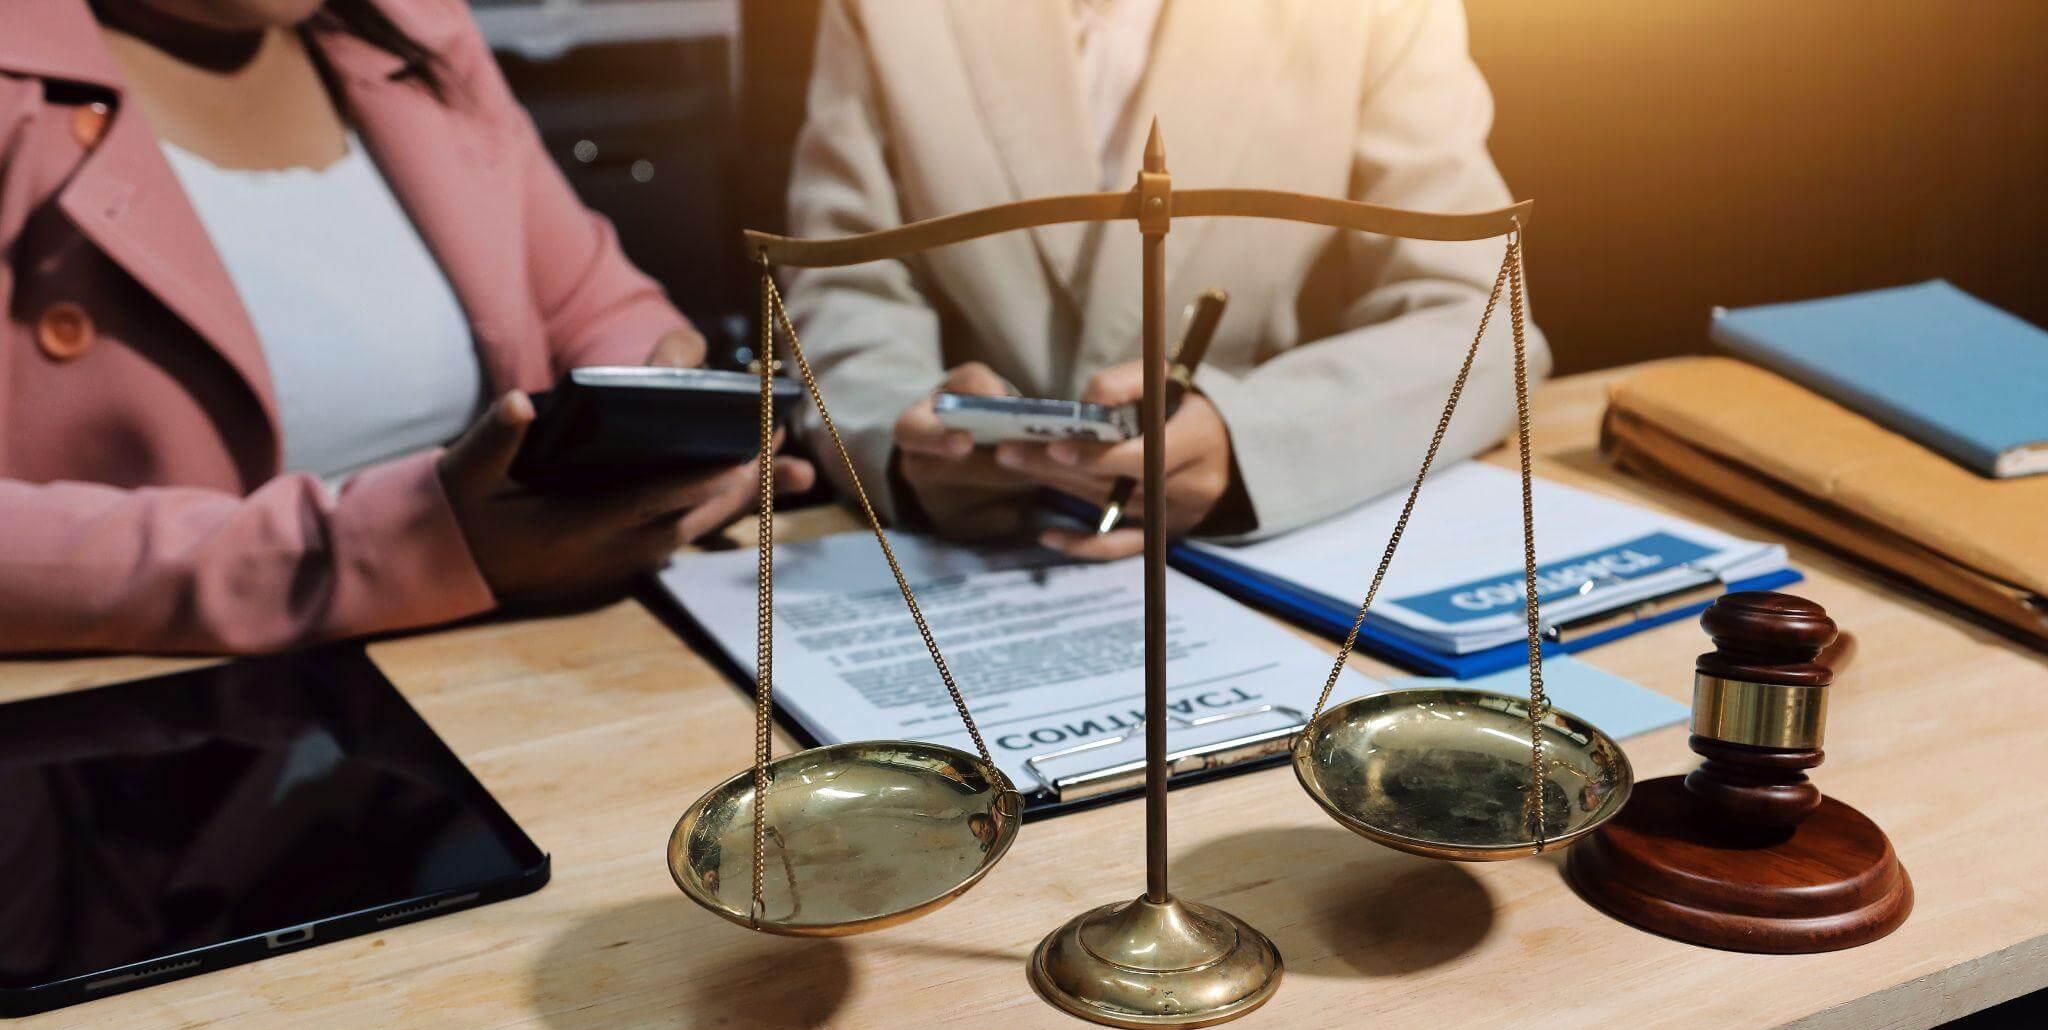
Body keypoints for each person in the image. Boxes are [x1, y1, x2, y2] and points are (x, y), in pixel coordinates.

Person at [0, 0, 812, 655]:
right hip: (167, 733)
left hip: (510, 662)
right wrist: (386, 552)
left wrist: (649, 426)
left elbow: (594, 302)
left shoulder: (413, 30)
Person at [783, 0, 1552, 559]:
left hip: (1275, 555)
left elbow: (1481, 320)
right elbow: (844, 286)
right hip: (975, 557)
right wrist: (902, 450)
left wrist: (1250, 442)